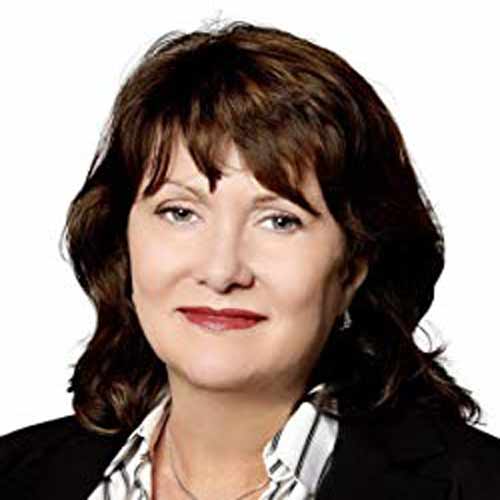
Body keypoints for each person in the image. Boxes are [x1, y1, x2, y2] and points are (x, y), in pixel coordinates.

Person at [1, 20, 499, 500]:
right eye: (180, 212)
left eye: (280, 221)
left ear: (353, 266)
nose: (221, 272)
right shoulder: (16, 474)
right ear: (123, 239)